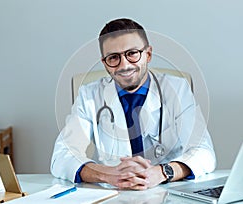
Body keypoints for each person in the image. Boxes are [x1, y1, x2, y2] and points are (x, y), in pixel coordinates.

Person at [51, 18, 216, 190]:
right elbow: (61, 157)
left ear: (148, 54)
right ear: (104, 63)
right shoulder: (89, 95)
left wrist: (162, 172)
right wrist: (109, 174)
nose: (124, 65)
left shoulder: (177, 89)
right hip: (113, 194)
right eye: (114, 57)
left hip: (168, 192)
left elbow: (204, 152)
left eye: (132, 53)